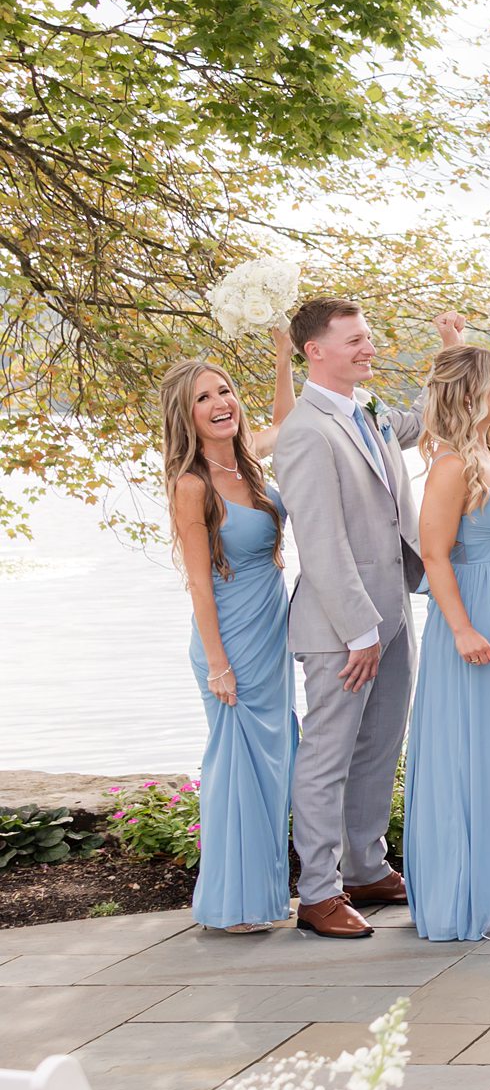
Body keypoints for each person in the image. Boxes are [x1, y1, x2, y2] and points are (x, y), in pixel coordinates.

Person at [277, 297, 427, 940]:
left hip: (393, 610)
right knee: (327, 757)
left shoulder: (368, 412)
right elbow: (321, 539)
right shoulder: (305, 430)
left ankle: (367, 867)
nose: (369, 348)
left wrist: (457, 355)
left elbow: (423, 420)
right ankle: (317, 893)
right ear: (315, 351)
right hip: (344, 628)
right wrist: (358, 631)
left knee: (380, 747)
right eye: (356, 340)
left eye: (367, 337)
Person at [404, 333, 490, 941]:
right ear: (468, 392)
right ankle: (461, 894)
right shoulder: (450, 464)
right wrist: (460, 628)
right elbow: (433, 555)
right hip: (471, 613)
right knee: (469, 749)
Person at [163, 356, 295, 932]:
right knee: (236, 765)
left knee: (273, 763)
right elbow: (197, 581)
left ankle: (261, 896)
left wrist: (284, 359)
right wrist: (218, 665)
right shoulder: (191, 485)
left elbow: (289, 423)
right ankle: (232, 904)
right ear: (185, 416)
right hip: (230, 643)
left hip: (271, 635)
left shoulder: (251, 465)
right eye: (203, 398)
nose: (220, 405)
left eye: (225, 392)